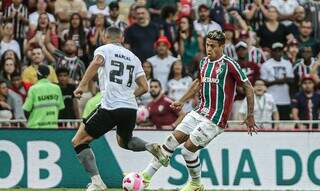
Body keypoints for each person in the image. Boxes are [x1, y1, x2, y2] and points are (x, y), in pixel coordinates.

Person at [140, 30, 257, 190]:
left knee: (187, 151)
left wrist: (250, 115)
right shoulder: (203, 62)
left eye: (213, 46)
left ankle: (196, 184)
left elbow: (248, 87)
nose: (209, 49)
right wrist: (181, 101)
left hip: (215, 119)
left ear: (222, 46)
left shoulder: (230, 64)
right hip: (199, 111)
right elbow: (197, 83)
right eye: (207, 45)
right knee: (171, 141)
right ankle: (145, 178)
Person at [71, 27, 156, 191]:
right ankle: (149, 146)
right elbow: (144, 87)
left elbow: (96, 62)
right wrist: (128, 96)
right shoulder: (134, 57)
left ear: (104, 36)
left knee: (78, 141)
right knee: (125, 142)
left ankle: (97, 183)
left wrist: (81, 86)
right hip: (130, 108)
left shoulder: (104, 49)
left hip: (110, 105)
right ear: (122, 38)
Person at [260, 42, 294, 120]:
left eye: (280, 50)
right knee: (271, 125)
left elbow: (291, 80)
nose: (278, 52)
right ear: (272, 52)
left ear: (282, 52)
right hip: (271, 99)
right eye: (276, 50)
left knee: (284, 124)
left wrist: (273, 81)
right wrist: (282, 80)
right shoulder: (266, 65)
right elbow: (264, 83)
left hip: (285, 100)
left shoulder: (287, 63)